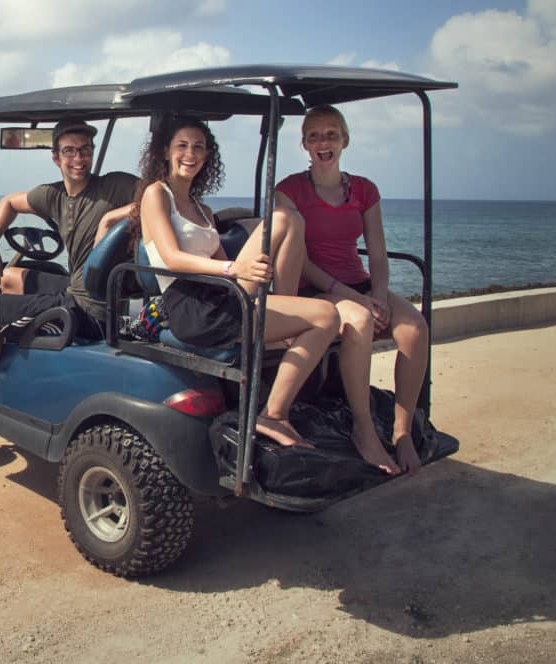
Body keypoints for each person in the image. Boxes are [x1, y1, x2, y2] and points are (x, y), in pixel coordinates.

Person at [133, 117, 340, 448]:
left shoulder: (202, 208)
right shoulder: (157, 194)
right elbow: (171, 258)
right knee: (326, 316)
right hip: (191, 305)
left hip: (221, 294)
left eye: (199, 147)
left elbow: (217, 262)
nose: (191, 154)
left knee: (286, 218)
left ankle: (280, 326)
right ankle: (273, 415)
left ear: (208, 155)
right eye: (182, 146)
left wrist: (241, 270)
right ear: (166, 153)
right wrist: (235, 268)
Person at [275, 104, 428, 474]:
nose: (322, 142)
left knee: (414, 328)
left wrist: (378, 294)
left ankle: (402, 431)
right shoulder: (289, 190)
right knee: (358, 320)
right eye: (314, 135)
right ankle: (363, 428)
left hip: (357, 284)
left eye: (330, 134)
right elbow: (302, 259)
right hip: (314, 288)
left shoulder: (364, 190)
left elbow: (377, 252)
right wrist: (356, 298)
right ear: (304, 144)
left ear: (345, 139)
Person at [0, 118, 137, 400]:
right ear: (56, 157)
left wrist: (111, 217)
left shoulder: (114, 186)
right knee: (11, 277)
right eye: (69, 151)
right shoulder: (53, 196)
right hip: (77, 289)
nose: (78, 158)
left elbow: (161, 196)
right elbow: (9, 202)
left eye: (85, 150)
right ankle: (8, 361)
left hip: (91, 311)